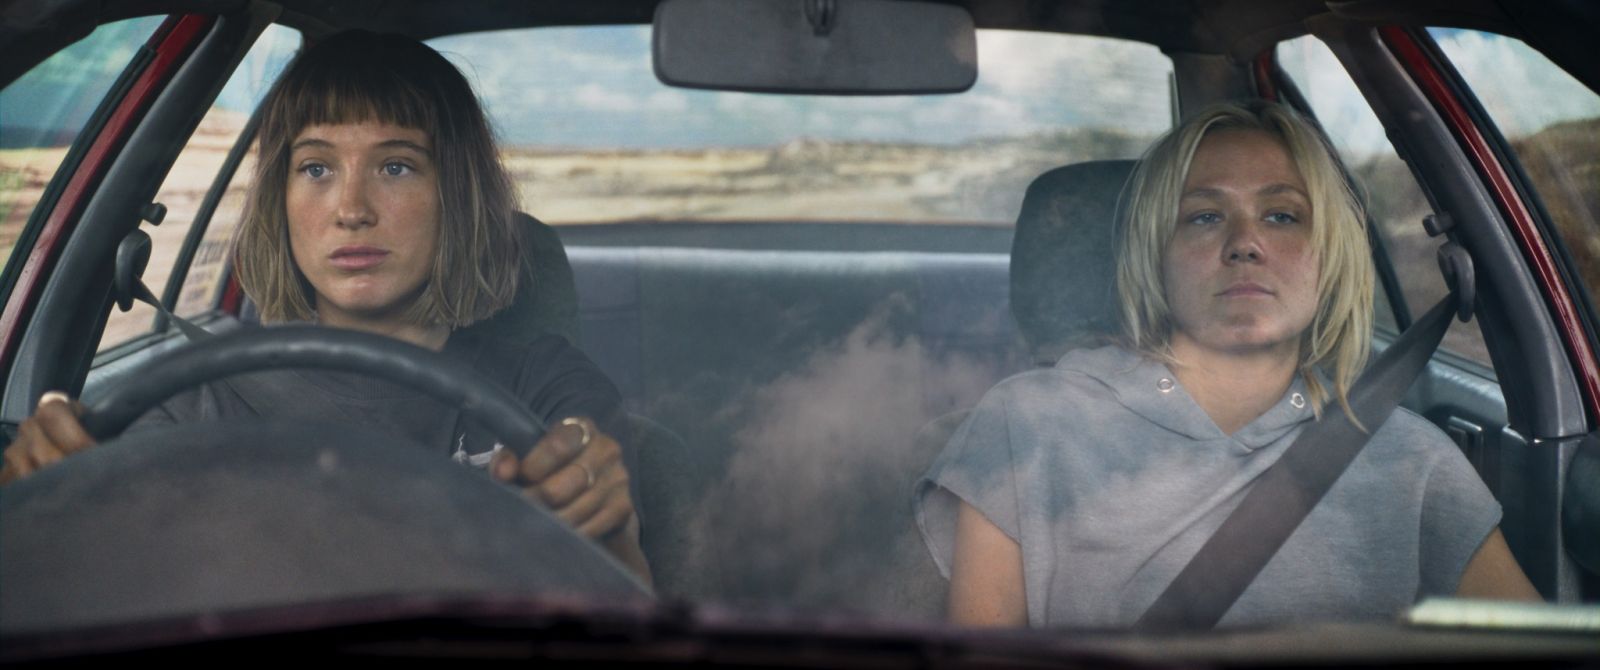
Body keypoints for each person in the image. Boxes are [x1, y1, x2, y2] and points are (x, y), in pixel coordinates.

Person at [0, 31, 650, 582]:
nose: (351, 210)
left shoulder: (544, 386)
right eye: (316, 168)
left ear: (455, 194)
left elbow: (626, 600)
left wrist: (608, 528)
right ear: (280, 200)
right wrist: (41, 503)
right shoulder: (193, 403)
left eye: (396, 167)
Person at [915, 100, 1537, 628]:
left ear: (1331, 256)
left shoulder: (1415, 463)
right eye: (1205, 216)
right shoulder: (1027, 425)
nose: (1245, 243)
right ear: (1155, 253)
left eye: (1282, 215)